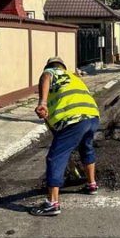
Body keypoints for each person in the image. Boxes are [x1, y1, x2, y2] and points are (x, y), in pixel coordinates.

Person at [30, 56, 101, 217]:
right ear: (63, 66)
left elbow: (46, 77)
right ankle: (91, 184)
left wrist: (42, 103)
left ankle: (52, 203)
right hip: (92, 116)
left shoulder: (50, 72)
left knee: (55, 157)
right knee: (86, 148)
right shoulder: (73, 77)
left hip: (73, 120)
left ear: (51, 66)